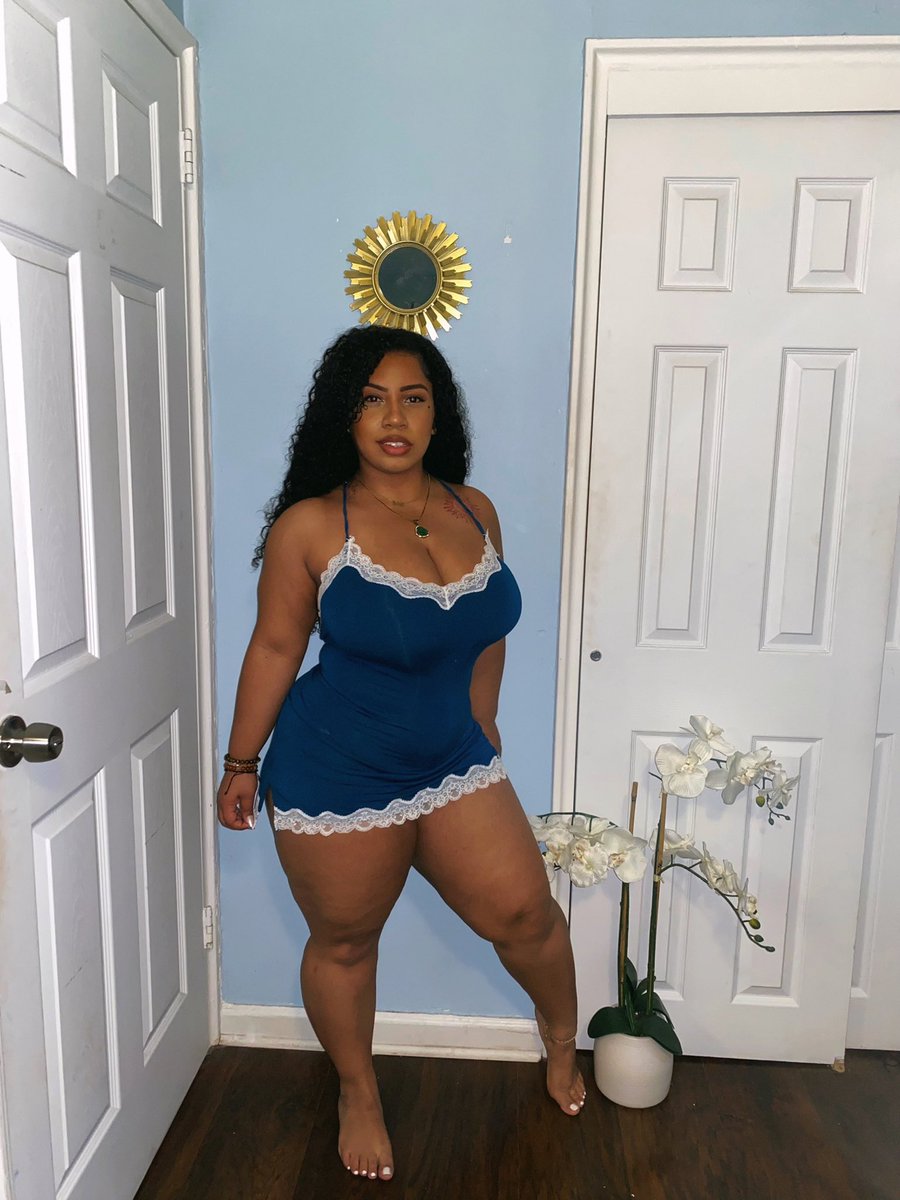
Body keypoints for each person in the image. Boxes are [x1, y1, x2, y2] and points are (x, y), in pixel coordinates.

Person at [217, 326, 586, 1183]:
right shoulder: (312, 527)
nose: (394, 417)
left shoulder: (475, 509)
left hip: (453, 758)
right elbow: (275, 646)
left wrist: (484, 721)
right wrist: (241, 763)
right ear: (343, 417)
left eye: (412, 398)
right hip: (336, 767)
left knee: (528, 918)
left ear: (436, 413)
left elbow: (487, 627)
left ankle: (563, 1038)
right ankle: (358, 1091)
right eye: (372, 399)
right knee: (346, 943)